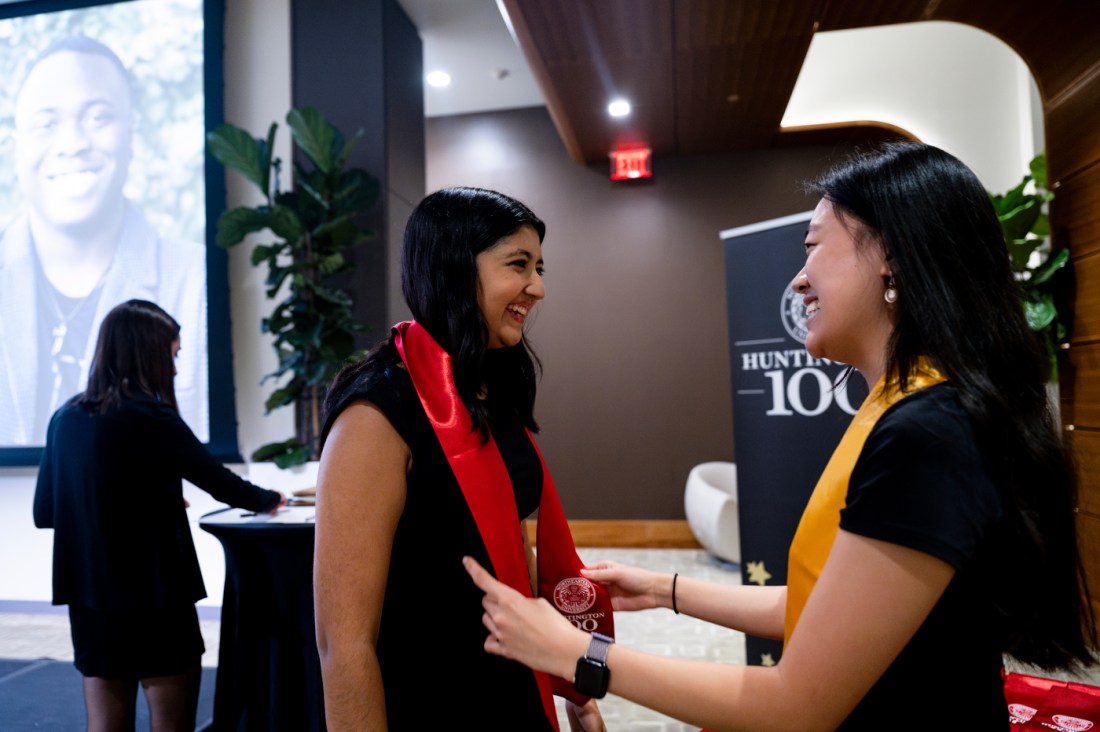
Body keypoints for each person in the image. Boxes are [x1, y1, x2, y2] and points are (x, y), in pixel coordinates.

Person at [464, 141, 1098, 730]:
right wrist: (662, 588)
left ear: (892, 257)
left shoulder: (928, 433)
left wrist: (576, 652)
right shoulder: (913, 405)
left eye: (814, 246)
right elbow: (830, 608)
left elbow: (799, 705)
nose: (797, 280)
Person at [314, 186, 611, 731]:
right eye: (518, 265)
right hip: (434, 698)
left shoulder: (489, 386)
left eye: (539, 267)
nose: (538, 288)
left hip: (515, 683)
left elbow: (510, 548)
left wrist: (573, 689)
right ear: (453, 268)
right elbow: (344, 642)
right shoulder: (376, 411)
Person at [32, 299, 284, 732]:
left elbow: (46, 512)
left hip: (91, 600)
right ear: (149, 352)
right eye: (174, 354)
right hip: (154, 595)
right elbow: (220, 483)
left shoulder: (65, 417)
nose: (175, 367)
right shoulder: (152, 416)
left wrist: (143, 498)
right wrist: (275, 498)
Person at [0, 34, 207, 447]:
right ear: (15, 140)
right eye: (46, 123)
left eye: (97, 117)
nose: (74, 144)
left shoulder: (197, 283)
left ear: (132, 133)